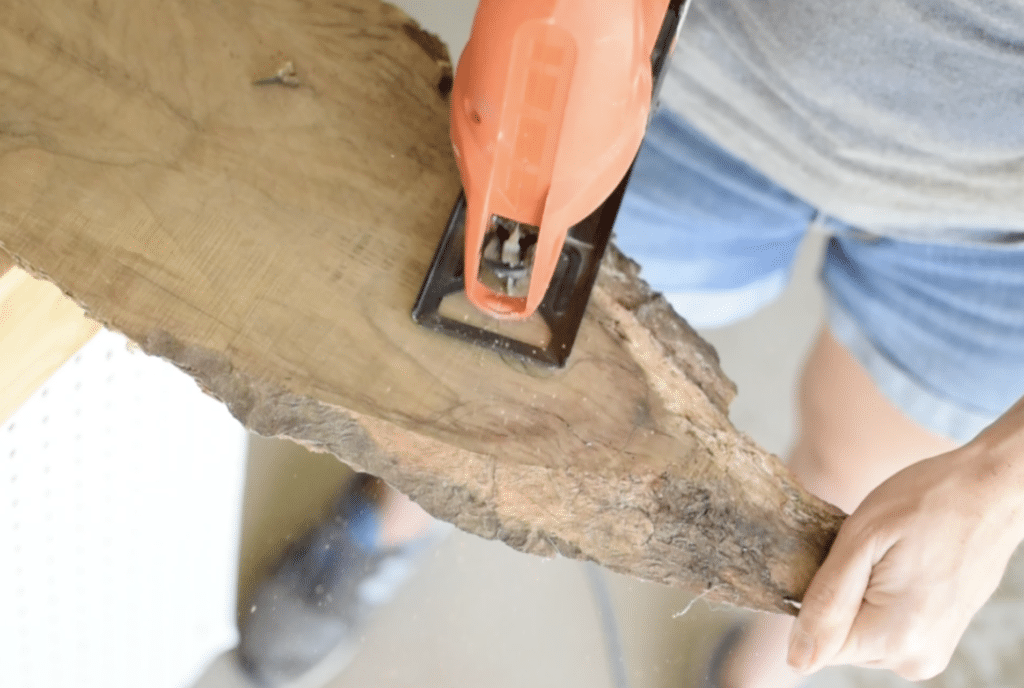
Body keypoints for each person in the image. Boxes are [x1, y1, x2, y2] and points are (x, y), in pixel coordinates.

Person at [609, 0, 1024, 686]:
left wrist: (1004, 480)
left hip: (996, 236)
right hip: (712, 69)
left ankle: (762, 670)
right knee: (505, 333)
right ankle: (397, 520)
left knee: (846, 513)